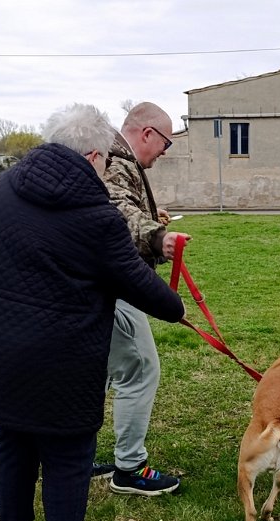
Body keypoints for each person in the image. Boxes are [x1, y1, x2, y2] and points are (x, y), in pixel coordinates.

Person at [0, 103, 184, 521]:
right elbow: (135, 281)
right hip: (58, 358)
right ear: (94, 156)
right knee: (68, 455)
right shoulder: (94, 215)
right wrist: (176, 306)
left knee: (13, 443)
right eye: (105, 162)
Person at [97, 101, 191, 496]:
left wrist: (153, 214)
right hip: (117, 288)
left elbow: (123, 207)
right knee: (140, 369)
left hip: (102, 287)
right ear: (147, 133)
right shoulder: (116, 162)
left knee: (99, 373)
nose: (165, 152)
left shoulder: (116, 159)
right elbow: (117, 212)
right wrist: (156, 237)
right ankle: (130, 468)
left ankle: (74, 454)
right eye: (166, 143)